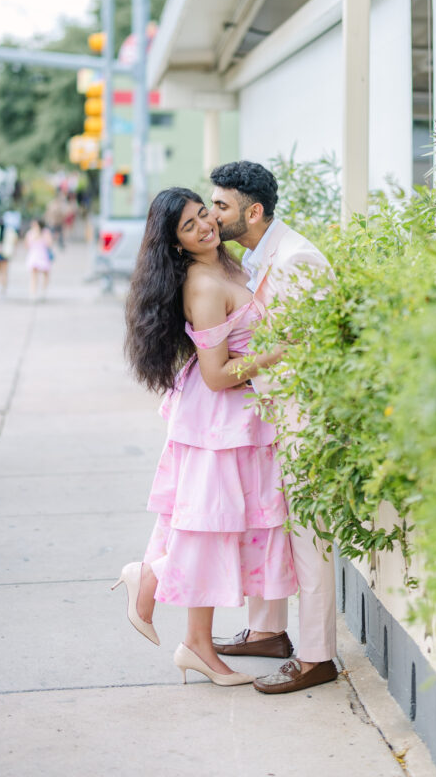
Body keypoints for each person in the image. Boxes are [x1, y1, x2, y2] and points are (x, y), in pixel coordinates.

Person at [117, 187, 297, 687]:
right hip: (219, 417)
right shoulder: (201, 283)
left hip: (234, 418)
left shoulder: (226, 259)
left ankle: (161, 593)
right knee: (211, 528)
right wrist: (280, 351)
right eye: (189, 227)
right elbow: (218, 375)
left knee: (217, 527)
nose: (205, 227)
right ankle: (186, 630)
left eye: (204, 214)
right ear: (175, 244)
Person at [209, 161, 338, 695]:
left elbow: (308, 349)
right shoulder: (256, 256)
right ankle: (268, 631)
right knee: (269, 525)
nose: (213, 213)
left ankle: (317, 657)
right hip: (269, 414)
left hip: (301, 417)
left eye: (221, 205)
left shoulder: (298, 259)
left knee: (309, 536)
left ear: (253, 212)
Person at [24, 219, 53, 300]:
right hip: (34, 256)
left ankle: (43, 291)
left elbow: (49, 244)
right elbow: (27, 245)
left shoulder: (45, 232)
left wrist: (40, 236)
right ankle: (33, 292)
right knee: (34, 275)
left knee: (45, 274)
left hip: (43, 255)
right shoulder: (30, 233)